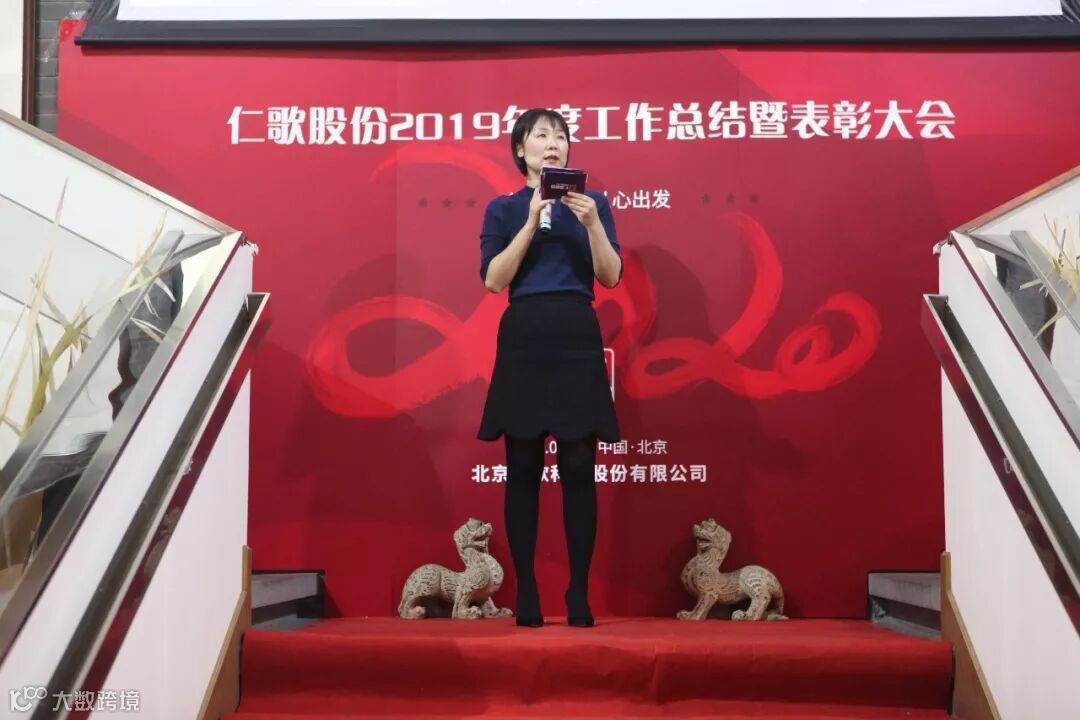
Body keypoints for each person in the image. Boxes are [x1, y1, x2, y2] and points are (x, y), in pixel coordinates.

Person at [477, 108, 623, 628]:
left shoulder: (594, 205)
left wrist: (590, 224)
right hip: (524, 335)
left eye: (561, 135)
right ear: (521, 150)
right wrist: (530, 220)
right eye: (541, 135)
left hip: (576, 332)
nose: (553, 143)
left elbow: (610, 276)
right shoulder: (502, 208)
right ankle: (529, 591)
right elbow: (494, 280)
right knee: (523, 466)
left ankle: (578, 591)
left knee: (579, 465)